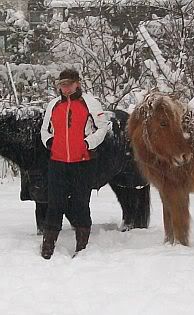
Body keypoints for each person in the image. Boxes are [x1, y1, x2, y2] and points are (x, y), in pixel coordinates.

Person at [40, 68, 110, 259]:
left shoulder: (91, 103)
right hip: (57, 162)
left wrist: (88, 143)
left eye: (68, 84)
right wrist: (50, 142)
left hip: (83, 163)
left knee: (80, 202)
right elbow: (44, 130)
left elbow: (103, 128)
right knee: (54, 203)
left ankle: (82, 245)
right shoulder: (53, 105)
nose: (65, 88)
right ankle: (48, 244)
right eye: (62, 85)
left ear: (77, 83)